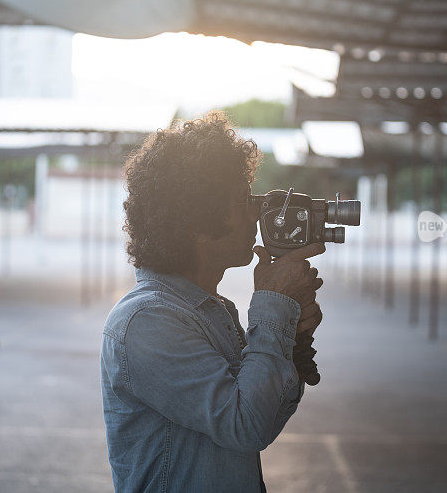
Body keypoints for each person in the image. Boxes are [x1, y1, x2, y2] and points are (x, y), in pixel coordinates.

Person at [100, 112, 325, 492]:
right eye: (244, 200)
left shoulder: (211, 310)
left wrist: (294, 338)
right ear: (198, 222)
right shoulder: (148, 321)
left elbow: (268, 413)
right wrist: (273, 303)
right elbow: (246, 425)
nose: (257, 212)